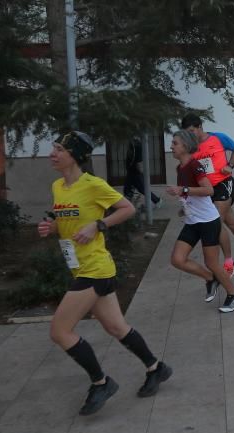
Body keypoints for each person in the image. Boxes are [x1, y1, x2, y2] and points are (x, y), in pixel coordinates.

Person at [37, 131, 172, 416]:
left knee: (60, 331)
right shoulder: (58, 187)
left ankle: (101, 382)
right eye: (54, 148)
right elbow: (66, 222)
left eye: (59, 149)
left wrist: (99, 225)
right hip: (80, 266)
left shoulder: (93, 185)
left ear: (73, 155)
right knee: (115, 327)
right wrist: (53, 227)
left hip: (95, 270)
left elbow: (126, 209)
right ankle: (156, 368)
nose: (53, 153)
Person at [166, 130, 234, 313]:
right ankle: (210, 279)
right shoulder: (180, 168)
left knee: (212, 262)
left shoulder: (195, 165)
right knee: (177, 259)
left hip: (208, 221)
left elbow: (208, 190)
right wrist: (184, 205)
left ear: (185, 146)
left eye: (175, 143)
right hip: (192, 221)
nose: (171, 147)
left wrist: (183, 191)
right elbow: (190, 193)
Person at [181, 114, 234, 278]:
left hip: (224, 184)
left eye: (192, 131)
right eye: (187, 132)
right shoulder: (190, 148)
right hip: (207, 191)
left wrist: (230, 165)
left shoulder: (218, 138)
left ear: (199, 127)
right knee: (231, 223)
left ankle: (228, 263)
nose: (190, 135)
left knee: (215, 222)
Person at [122, 136, 162, 208]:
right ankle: (127, 205)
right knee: (127, 189)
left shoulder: (137, 145)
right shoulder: (133, 144)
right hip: (131, 171)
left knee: (142, 188)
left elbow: (138, 160)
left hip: (135, 171)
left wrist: (140, 171)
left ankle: (157, 200)